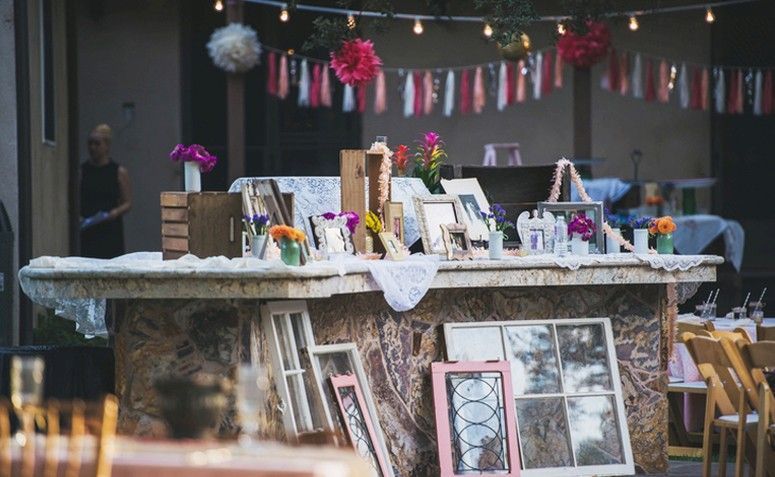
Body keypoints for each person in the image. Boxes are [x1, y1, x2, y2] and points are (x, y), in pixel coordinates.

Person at [80, 124, 131, 258]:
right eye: (90, 143)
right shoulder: (82, 171)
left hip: (109, 229)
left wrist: (114, 213)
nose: (92, 148)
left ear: (107, 146)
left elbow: (127, 202)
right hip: (87, 228)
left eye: (97, 144)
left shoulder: (118, 172)